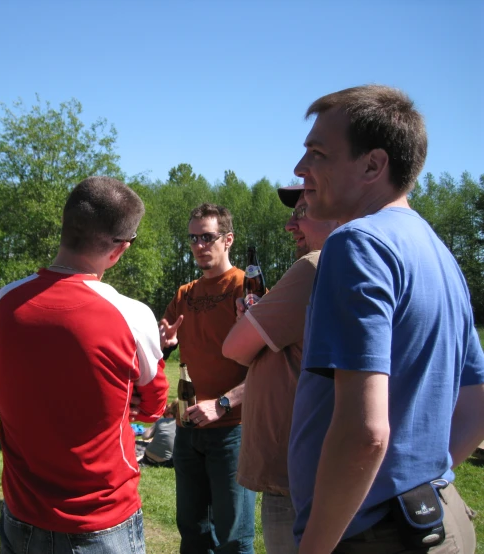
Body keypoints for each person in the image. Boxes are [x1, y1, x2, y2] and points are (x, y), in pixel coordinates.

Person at [287, 85, 484, 553]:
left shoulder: (356, 245)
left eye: (317, 153)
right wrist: (415, 483)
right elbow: (477, 403)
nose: (300, 169)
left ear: (374, 165)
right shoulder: (438, 253)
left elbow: (365, 433)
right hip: (436, 517)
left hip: (374, 535)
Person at [0, 176, 169, 554]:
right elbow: (152, 407)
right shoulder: (131, 314)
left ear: (66, 226)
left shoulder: (5, 302)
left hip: (21, 515)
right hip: (101, 520)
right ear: (119, 249)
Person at [222, 186, 338, 553]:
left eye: (302, 211)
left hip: (297, 483)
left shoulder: (314, 266)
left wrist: (252, 330)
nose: (290, 225)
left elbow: (234, 348)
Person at [159, 203, 256, 553]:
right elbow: (160, 346)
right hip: (189, 430)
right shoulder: (185, 294)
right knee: (193, 531)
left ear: (227, 239)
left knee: (234, 536)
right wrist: (164, 345)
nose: (199, 245)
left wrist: (224, 403)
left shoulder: (247, 288)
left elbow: (269, 366)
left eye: (207, 237)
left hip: (233, 430)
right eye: (193, 238)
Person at [139, 400, 177, 467]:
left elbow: (145, 436)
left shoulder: (160, 421)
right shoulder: (184, 426)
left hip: (148, 455)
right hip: (165, 461)